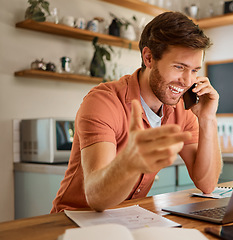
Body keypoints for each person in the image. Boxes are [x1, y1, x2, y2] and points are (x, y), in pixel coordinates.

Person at [51, 11, 222, 213]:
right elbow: (96, 198)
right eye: (179, 67)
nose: (187, 81)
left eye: (194, 70)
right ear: (148, 58)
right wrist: (129, 163)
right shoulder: (103, 102)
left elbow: (207, 184)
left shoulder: (182, 107)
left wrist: (207, 118)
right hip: (75, 220)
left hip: (128, 218)